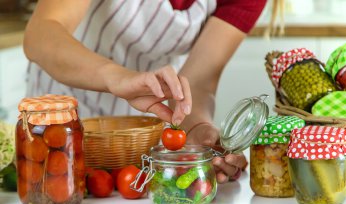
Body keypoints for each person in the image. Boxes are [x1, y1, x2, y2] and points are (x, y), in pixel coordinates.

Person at [23, 0, 267, 184]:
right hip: (57, 129)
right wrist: (117, 77)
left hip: (137, 142)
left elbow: (199, 81)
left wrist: (197, 129)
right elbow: (40, 35)